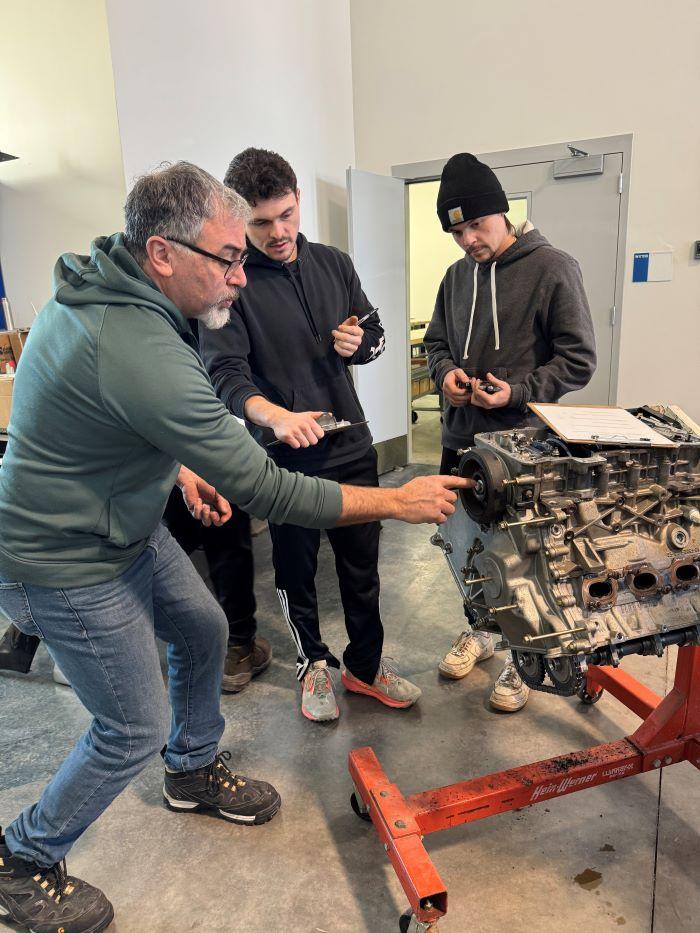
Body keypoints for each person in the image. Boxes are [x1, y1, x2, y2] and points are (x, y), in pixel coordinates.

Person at [0, 161, 469, 933]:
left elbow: (118, 410)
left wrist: (182, 464)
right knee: (129, 727)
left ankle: (189, 771)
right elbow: (266, 486)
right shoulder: (131, 337)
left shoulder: (124, 289)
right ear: (162, 252)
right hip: (61, 557)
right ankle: (22, 855)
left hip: (121, 520)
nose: (243, 275)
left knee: (205, 627)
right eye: (228, 256)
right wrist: (397, 498)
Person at [200, 148, 415, 725]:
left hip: (350, 445)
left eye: (288, 215)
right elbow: (225, 373)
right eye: (262, 223)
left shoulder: (334, 263)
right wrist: (273, 416)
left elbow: (374, 331)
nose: (279, 233)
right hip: (287, 457)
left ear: (299, 201)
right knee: (296, 571)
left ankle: (365, 668)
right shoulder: (232, 284)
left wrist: (360, 343)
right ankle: (313, 663)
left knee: (362, 566)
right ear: (239, 222)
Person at [425, 152, 596, 713]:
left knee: (527, 559)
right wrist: (446, 374)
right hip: (461, 443)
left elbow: (578, 358)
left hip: (524, 450)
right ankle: (482, 631)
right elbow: (437, 343)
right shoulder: (455, 277)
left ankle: (528, 659)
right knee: (468, 550)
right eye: (456, 230)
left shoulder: (552, 268)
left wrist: (517, 391)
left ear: (503, 212)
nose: (467, 239)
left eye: (476, 224)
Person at [163, 483, 266, 693]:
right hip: (209, 458)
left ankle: (117, 646)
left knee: (170, 538)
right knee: (227, 533)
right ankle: (239, 650)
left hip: (161, 465)